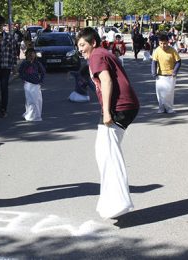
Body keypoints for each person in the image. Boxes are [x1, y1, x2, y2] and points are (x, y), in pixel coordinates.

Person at [76, 27, 140, 219]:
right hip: (126, 106)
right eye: (78, 46)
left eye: (82, 45)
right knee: (105, 152)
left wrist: (106, 112)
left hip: (119, 107)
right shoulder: (102, 53)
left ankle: (117, 203)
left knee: (107, 153)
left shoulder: (96, 55)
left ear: (93, 42)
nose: (80, 49)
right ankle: (112, 202)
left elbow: (106, 80)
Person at [151, 33, 181, 114]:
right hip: (160, 76)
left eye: (164, 43)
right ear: (158, 43)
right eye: (161, 43)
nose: (163, 45)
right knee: (160, 93)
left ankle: (169, 108)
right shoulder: (157, 50)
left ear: (168, 42)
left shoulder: (172, 50)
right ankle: (161, 108)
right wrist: (154, 72)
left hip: (170, 76)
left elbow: (178, 62)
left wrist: (175, 71)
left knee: (169, 93)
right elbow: (154, 62)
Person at [18, 48, 45, 121]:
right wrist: (23, 79)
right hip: (28, 84)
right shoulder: (24, 63)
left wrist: (41, 80)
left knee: (37, 100)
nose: (31, 56)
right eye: (29, 54)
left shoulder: (37, 63)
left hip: (36, 84)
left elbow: (43, 72)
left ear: (35, 55)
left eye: (33, 54)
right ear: (26, 55)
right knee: (30, 100)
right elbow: (20, 72)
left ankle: (36, 115)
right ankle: (30, 115)